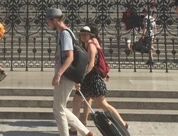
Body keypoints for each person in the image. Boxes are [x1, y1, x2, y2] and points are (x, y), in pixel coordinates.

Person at [70, 26, 127, 134]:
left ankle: (123, 123)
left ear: (90, 35)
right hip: (88, 79)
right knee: (76, 101)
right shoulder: (85, 45)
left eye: (86, 34)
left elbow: (91, 64)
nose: (83, 36)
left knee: (103, 104)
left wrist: (82, 77)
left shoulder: (91, 46)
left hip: (92, 79)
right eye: (82, 34)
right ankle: (74, 129)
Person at [45, 8, 93, 136]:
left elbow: (70, 57)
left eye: (48, 21)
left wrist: (58, 74)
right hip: (67, 76)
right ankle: (86, 132)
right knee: (60, 108)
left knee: (58, 110)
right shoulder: (65, 33)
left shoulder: (65, 34)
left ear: (54, 20)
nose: (47, 24)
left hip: (65, 76)